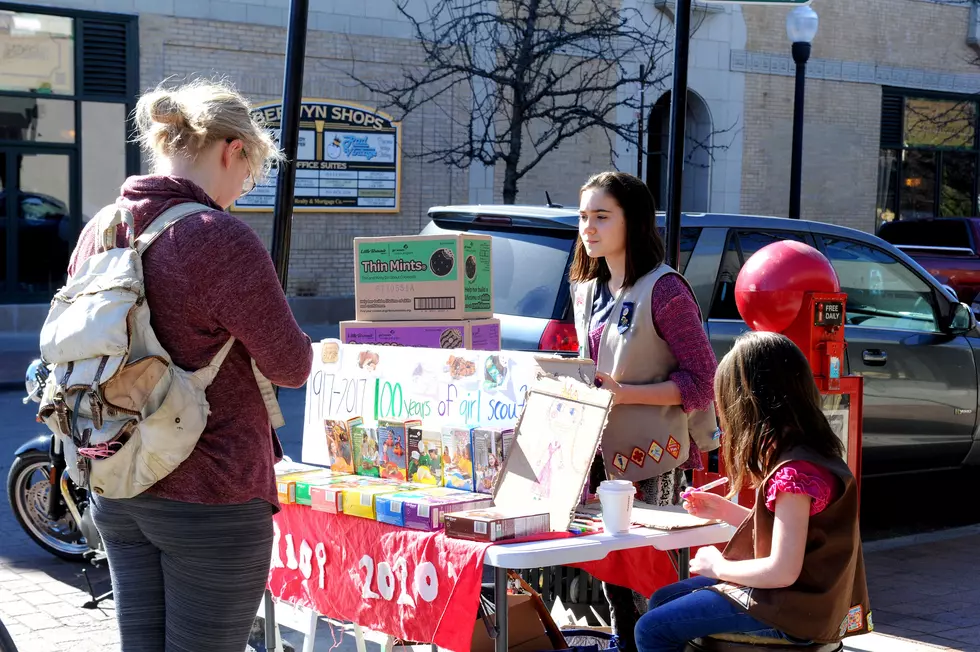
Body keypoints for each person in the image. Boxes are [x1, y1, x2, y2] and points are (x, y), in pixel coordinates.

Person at [70, 79, 313, 652]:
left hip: (119, 481)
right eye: (250, 172)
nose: (243, 188)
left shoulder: (103, 228)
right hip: (212, 495)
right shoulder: (216, 236)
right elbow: (291, 366)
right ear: (233, 149)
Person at [634, 331, 871, 652]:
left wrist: (718, 566)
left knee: (653, 628)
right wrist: (723, 510)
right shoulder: (813, 454)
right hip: (809, 602)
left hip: (794, 613)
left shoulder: (793, 473)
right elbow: (794, 531)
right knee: (664, 599)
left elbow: (781, 571)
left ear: (747, 405)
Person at [569, 171, 720, 652]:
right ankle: (623, 644)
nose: (588, 228)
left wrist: (624, 393)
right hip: (596, 452)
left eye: (601, 216)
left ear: (632, 222)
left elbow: (704, 380)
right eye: (583, 217)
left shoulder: (665, 289)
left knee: (651, 580)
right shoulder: (588, 288)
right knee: (614, 571)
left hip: (654, 455)